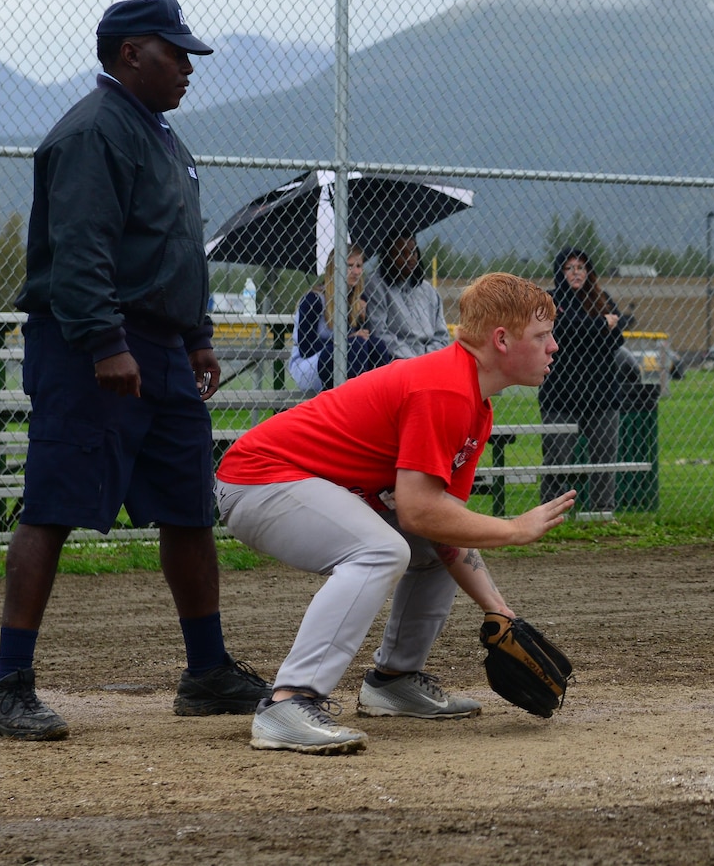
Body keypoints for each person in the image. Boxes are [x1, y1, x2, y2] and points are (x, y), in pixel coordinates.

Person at [0, 0, 270, 742]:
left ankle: (206, 670)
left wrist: (198, 334)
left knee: (187, 504)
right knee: (53, 500)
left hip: (164, 347)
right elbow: (81, 251)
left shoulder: (162, 136)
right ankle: (8, 682)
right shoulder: (92, 131)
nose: (187, 67)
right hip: (88, 345)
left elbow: (177, 249)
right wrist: (106, 342)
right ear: (129, 51)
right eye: (176, 53)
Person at [213, 272, 577, 754]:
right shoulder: (445, 389)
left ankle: (393, 681)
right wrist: (512, 529)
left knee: (431, 542)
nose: (553, 346)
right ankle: (288, 703)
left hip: (295, 483)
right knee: (382, 549)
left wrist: (499, 612)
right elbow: (419, 508)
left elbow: (443, 523)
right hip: (258, 479)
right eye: (542, 335)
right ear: (502, 340)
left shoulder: (475, 401)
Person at [538, 248, 630, 516]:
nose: (576, 273)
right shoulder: (551, 300)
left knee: (604, 457)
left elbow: (617, 340)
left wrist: (592, 328)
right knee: (557, 459)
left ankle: (603, 510)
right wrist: (601, 325)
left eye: (581, 267)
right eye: (569, 268)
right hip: (560, 395)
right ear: (560, 272)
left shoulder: (601, 299)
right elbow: (562, 329)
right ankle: (552, 514)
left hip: (602, 395)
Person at [290, 245, 395, 391]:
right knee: (356, 344)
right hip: (308, 366)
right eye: (350, 266)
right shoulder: (313, 300)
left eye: (359, 266)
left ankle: (381, 396)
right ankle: (353, 400)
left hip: (343, 359)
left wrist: (362, 320)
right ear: (335, 268)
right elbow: (306, 349)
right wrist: (346, 341)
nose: (356, 271)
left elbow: (365, 344)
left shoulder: (356, 301)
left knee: (377, 345)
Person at [365, 235, 452, 359]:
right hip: (397, 359)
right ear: (389, 256)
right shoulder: (376, 285)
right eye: (401, 253)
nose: (409, 258)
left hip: (429, 359)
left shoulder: (428, 291)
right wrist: (412, 361)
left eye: (413, 252)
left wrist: (427, 359)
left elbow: (441, 335)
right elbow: (379, 333)